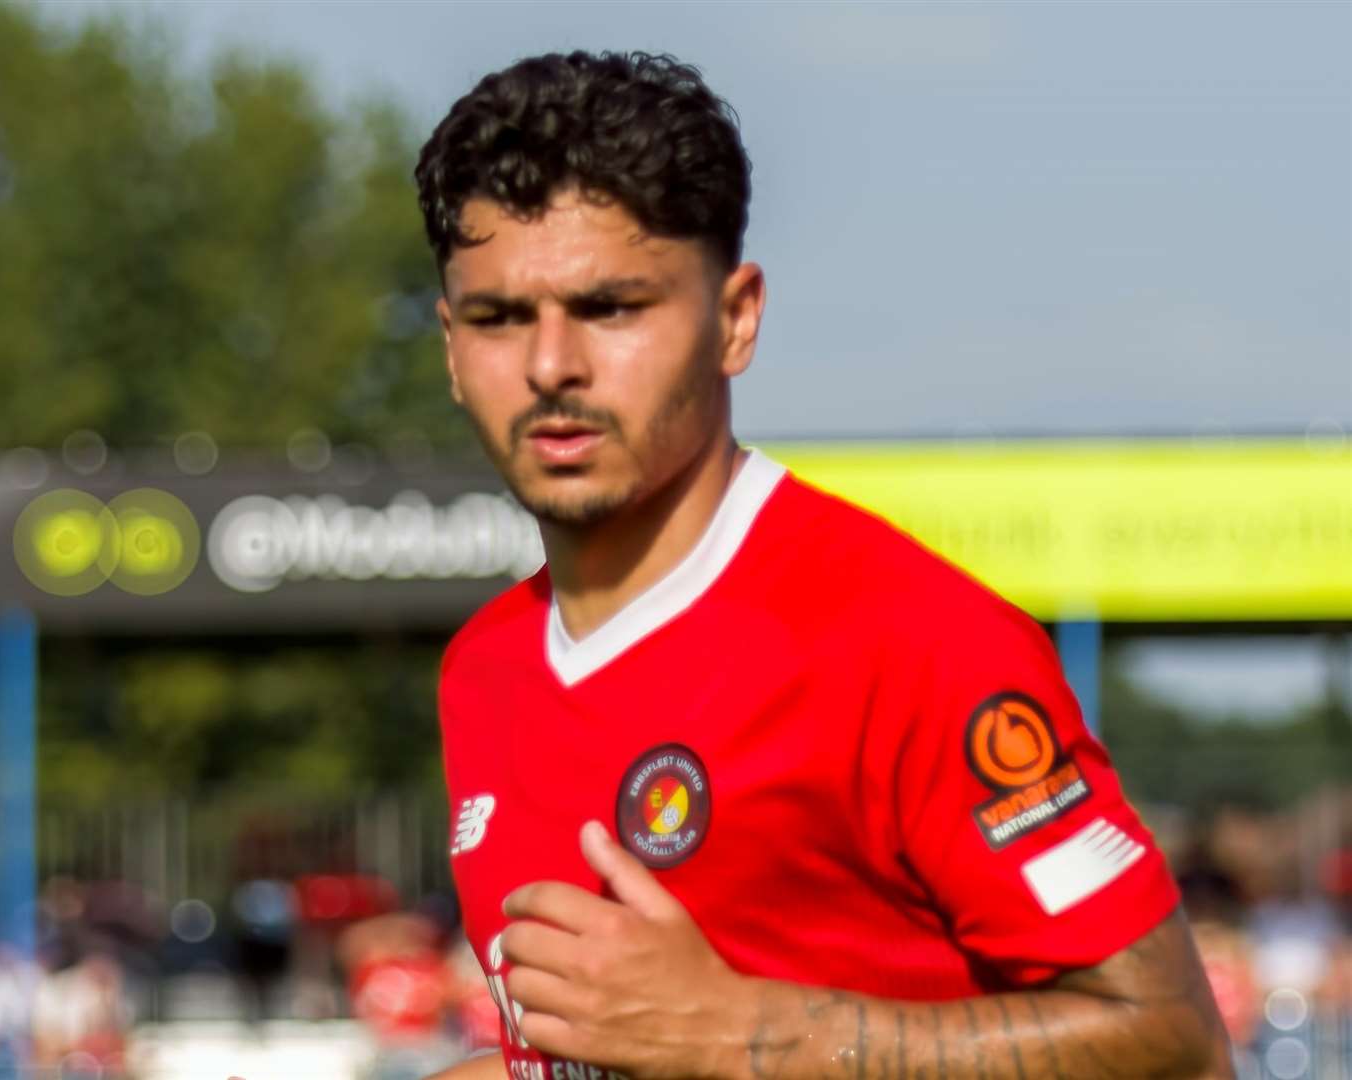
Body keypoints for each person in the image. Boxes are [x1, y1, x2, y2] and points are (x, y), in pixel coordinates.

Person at [415, 50, 1233, 1080]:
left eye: (611, 309)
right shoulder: (482, 672)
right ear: (450, 347)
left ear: (736, 318)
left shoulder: (912, 640)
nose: (550, 367)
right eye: (499, 319)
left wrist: (739, 1032)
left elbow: (1176, 1044)